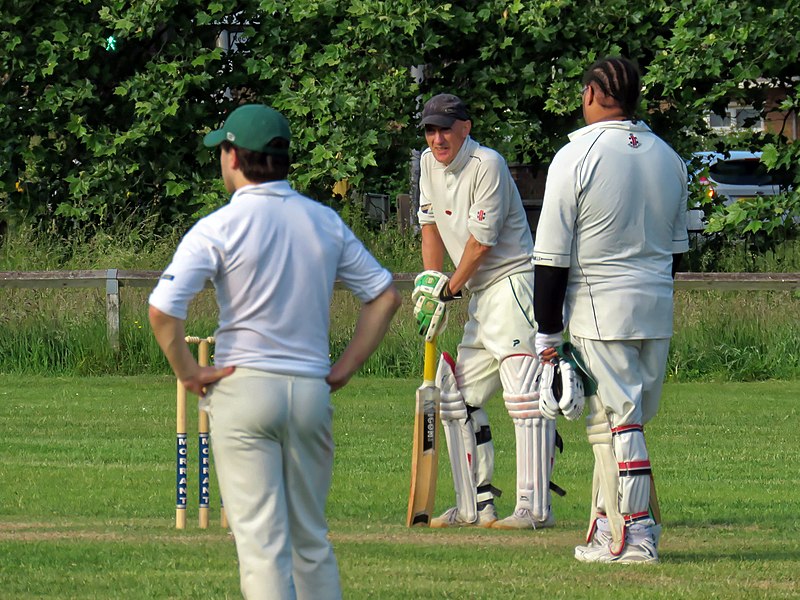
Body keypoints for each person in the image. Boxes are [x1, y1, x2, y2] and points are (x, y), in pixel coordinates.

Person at [148, 103, 401, 599]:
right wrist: (344, 369)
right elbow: (384, 296)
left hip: (243, 388)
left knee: (262, 544)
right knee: (311, 540)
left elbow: (162, 311)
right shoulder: (323, 220)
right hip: (309, 390)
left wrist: (188, 373)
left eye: (223, 150)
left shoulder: (217, 227)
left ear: (236, 156)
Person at [532, 57, 689, 563]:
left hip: (601, 305)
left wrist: (547, 337)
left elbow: (551, 259)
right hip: (656, 305)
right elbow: (676, 253)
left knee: (620, 420)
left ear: (595, 93)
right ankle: (605, 526)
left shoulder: (576, 156)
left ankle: (637, 535)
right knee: (615, 420)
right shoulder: (669, 158)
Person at [412, 93, 561, 530]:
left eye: (445, 128)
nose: (437, 138)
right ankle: (472, 506)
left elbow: (482, 242)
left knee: (523, 395)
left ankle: (534, 510)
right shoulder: (427, 163)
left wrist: (448, 291)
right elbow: (430, 226)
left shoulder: (487, 164)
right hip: (478, 293)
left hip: (514, 284)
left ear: (466, 127)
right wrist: (429, 284)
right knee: (458, 395)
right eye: (430, 129)